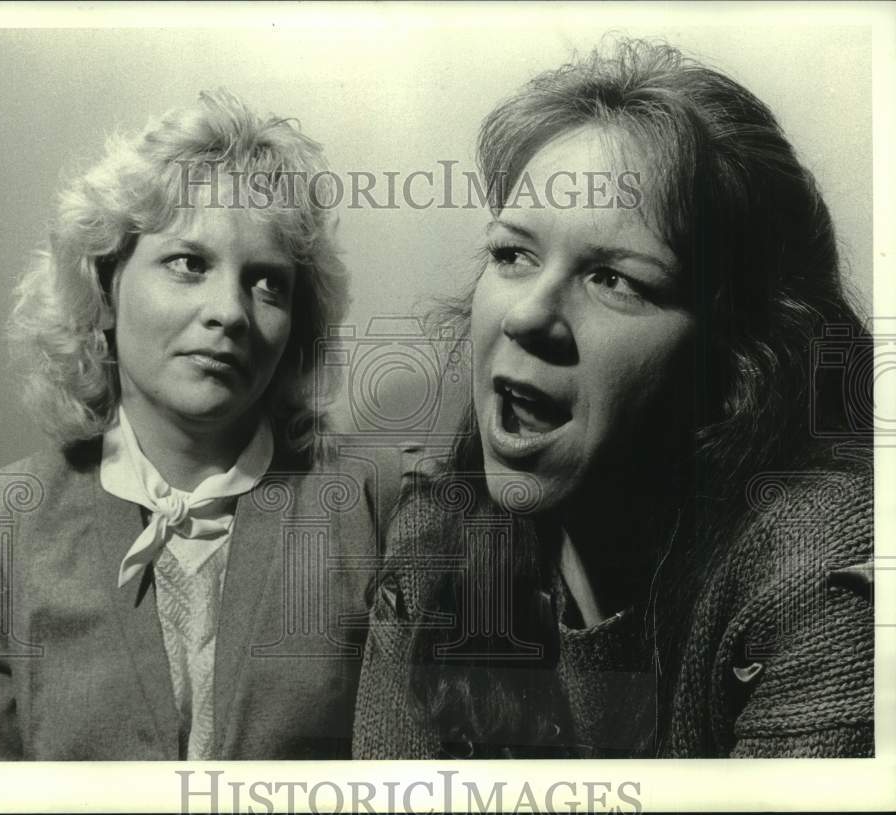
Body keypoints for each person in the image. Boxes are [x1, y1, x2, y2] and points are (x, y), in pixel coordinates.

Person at [353, 38, 874, 759]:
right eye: (512, 254)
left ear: (740, 360)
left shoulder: (820, 569)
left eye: (614, 279)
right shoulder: (430, 550)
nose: (527, 313)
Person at [0, 89, 382, 760]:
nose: (228, 310)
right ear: (107, 284)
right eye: (189, 263)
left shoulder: (376, 512)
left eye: (267, 283)